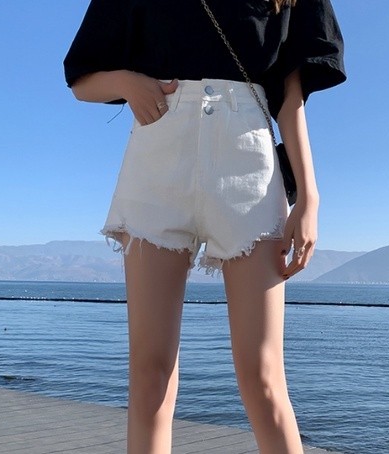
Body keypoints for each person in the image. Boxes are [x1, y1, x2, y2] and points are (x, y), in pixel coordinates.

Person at [64, 0, 346, 452]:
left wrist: (310, 196)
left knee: (264, 377)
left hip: (248, 166)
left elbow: (290, 96)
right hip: (158, 158)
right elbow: (81, 77)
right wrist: (127, 84)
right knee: (149, 375)